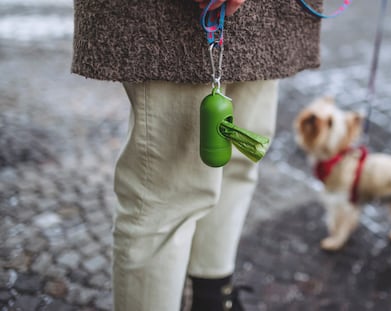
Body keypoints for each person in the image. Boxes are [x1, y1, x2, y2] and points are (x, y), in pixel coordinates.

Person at [72, 0, 322, 310]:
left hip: (268, 16)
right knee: (167, 191)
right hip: (172, 18)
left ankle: (214, 297)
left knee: (238, 161)